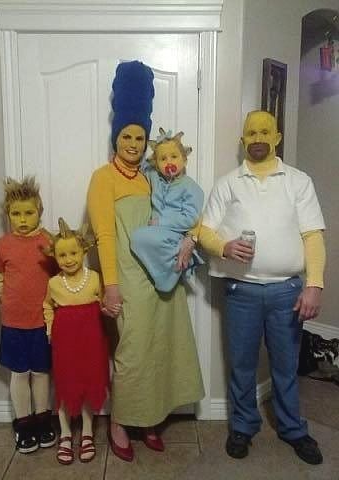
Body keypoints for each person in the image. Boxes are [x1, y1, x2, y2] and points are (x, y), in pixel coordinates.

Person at [87, 60, 204, 462]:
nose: (134, 144)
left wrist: (190, 238)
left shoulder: (156, 176)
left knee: (159, 348)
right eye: (127, 136)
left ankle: (149, 419)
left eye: (140, 137)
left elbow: (187, 211)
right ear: (116, 137)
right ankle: (121, 420)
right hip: (130, 280)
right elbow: (104, 234)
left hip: (164, 275)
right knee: (133, 350)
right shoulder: (104, 178)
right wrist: (112, 284)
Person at [199, 110, 326, 465]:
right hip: (242, 292)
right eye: (251, 133)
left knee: (285, 365)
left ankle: (293, 429)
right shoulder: (228, 183)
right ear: (243, 141)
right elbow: (204, 230)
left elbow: (313, 236)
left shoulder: (298, 181)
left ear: (277, 137)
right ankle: (243, 427)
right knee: (241, 364)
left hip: (288, 290)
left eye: (264, 132)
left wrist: (314, 284)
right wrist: (223, 247)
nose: (257, 138)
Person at [0, 177, 57, 454]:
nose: (22, 219)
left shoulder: (48, 242)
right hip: (13, 323)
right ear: (8, 215)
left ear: (39, 211)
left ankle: (42, 419)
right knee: (20, 373)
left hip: (42, 322)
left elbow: (57, 276)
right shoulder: (2, 245)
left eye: (28, 212)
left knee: (41, 372)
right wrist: (9, 299)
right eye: (16, 213)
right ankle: (24, 424)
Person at [43, 218, 109, 465]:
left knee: (89, 383)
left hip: (91, 340)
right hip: (65, 341)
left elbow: (102, 304)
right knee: (65, 384)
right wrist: (50, 329)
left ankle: (88, 431)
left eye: (73, 253)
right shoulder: (53, 283)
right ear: (54, 257)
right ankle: (66, 434)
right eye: (62, 255)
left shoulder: (94, 278)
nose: (68, 259)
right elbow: (47, 306)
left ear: (83, 251)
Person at [130, 127, 204, 292]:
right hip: (158, 232)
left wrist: (161, 221)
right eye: (163, 159)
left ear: (184, 160)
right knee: (136, 238)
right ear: (156, 164)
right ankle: (168, 268)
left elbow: (191, 218)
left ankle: (179, 262)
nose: (169, 162)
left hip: (175, 233)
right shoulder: (155, 177)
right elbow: (142, 165)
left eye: (174, 156)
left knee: (141, 236)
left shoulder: (191, 187)